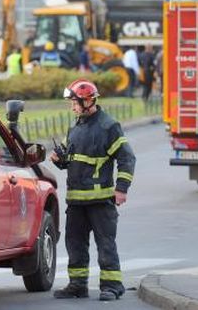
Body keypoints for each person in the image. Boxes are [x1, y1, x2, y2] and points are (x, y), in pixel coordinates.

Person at [51, 79, 136, 302]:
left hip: (101, 200)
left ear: (88, 100)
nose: (72, 107)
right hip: (76, 201)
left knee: (105, 244)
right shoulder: (75, 127)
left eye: (75, 102)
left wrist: (122, 188)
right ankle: (77, 285)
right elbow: (70, 159)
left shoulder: (109, 126)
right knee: (75, 244)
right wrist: (59, 160)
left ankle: (112, 286)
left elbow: (127, 158)